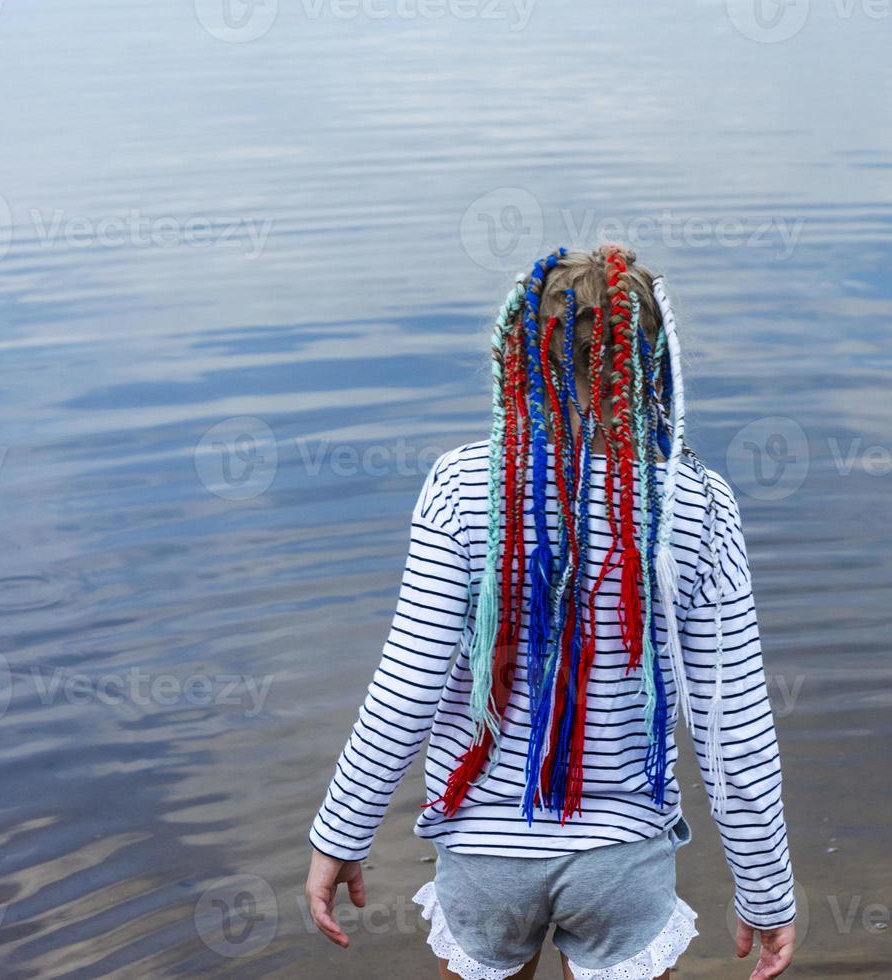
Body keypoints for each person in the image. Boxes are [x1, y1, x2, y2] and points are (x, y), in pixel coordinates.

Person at [304, 245, 796, 979]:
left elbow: (405, 689)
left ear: (521, 359)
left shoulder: (462, 487)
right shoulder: (697, 504)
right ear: (650, 366)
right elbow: (735, 726)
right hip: (621, 859)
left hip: (483, 855)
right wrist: (766, 890)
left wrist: (340, 835)